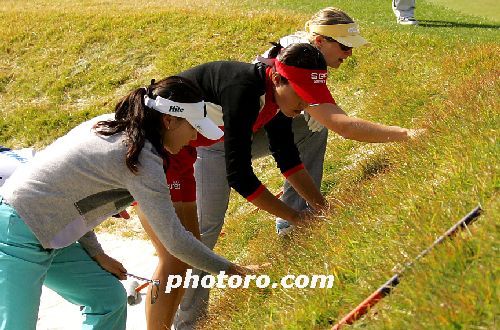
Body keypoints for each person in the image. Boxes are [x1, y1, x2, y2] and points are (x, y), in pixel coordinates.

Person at [158, 43, 423, 329]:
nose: (305, 103)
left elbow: (287, 159)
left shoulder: (278, 102)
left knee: (191, 241)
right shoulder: (245, 90)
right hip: (177, 149)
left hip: (195, 146)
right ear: (276, 78)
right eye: (300, 94)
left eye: (311, 98)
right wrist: (296, 217)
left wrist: (322, 208)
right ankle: (187, 324)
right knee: (196, 238)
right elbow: (240, 176)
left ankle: (187, 323)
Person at [0, 76, 248, 330]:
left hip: (45, 230)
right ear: (169, 120)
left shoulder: (116, 125)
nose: (194, 136)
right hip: (16, 230)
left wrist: (97, 253)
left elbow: (68, 201)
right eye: (193, 126)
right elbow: (175, 240)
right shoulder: (141, 159)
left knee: (107, 300)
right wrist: (234, 272)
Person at [258, 6, 370, 236]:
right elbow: (343, 126)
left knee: (314, 127)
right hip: (223, 139)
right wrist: (404, 134)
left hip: (258, 128)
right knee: (315, 127)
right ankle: (294, 218)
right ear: (319, 40)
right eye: (344, 46)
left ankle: (296, 216)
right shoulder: (298, 56)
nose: (349, 54)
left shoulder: (307, 52)